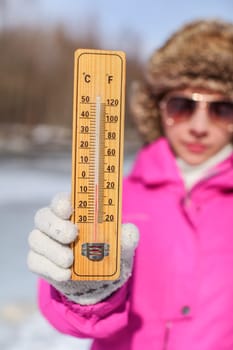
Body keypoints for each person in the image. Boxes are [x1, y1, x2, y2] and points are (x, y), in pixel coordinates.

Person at [27, 19, 233, 349]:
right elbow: (75, 321)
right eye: (182, 106)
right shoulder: (110, 196)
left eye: (222, 109)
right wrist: (86, 295)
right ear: (157, 110)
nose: (199, 126)